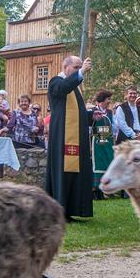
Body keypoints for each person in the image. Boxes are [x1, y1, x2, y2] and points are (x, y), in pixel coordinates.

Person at [46, 56, 94, 220]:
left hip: (75, 137)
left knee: (75, 172)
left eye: (80, 67)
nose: (79, 70)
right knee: (62, 171)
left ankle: (71, 209)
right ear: (65, 67)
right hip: (62, 136)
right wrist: (81, 72)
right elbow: (63, 88)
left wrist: (91, 116)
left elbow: (77, 113)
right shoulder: (56, 82)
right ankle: (59, 210)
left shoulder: (75, 88)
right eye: (76, 67)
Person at [90, 90, 114, 199]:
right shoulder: (93, 111)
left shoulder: (109, 112)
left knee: (107, 163)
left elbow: (113, 128)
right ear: (103, 100)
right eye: (108, 99)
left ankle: (106, 190)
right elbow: (89, 129)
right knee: (97, 165)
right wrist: (89, 145)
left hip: (107, 143)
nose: (110, 101)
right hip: (96, 144)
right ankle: (96, 191)